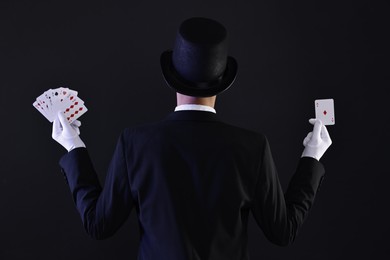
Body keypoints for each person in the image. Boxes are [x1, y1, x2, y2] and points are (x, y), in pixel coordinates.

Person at [52, 17, 332, 260]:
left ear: (172, 76)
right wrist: (312, 156)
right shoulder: (252, 146)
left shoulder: (135, 143)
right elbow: (283, 232)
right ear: (221, 82)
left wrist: (74, 145)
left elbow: (99, 224)